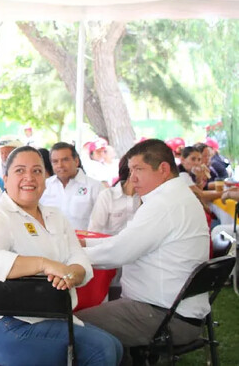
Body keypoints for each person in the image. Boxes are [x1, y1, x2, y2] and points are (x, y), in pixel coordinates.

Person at [0, 146, 122, 366]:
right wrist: (44, 265)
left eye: (37, 171)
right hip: (5, 323)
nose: (29, 178)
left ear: (45, 177)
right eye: (20, 171)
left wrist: (72, 274)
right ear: (5, 178)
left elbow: (78, 258)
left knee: (115, 346)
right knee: (102, 350)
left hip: (51, 316)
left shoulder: (55, 215)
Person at [77, 139, 210, 356]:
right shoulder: (175, 196)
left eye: (139, 169)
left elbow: (119, 252)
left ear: (164, 169)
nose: (133, 178)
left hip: (164, 316)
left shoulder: (164, 203)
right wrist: (86, 243)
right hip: (174, 310)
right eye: (130, 170)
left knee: (73, 326)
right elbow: (126, 241)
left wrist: (69, 255)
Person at [40, 142, 104, 231]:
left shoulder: (95, 187)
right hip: (50, 242)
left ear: (76, 161)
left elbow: (102, 223)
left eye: (65, 160)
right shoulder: (44, 186)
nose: (60, 165)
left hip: (83, 243)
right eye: (55, 161)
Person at [87, 154, 141, 236]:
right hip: (108, 246)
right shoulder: (107, 196)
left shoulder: (147, 196)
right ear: (131, 171)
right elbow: (94, 231)